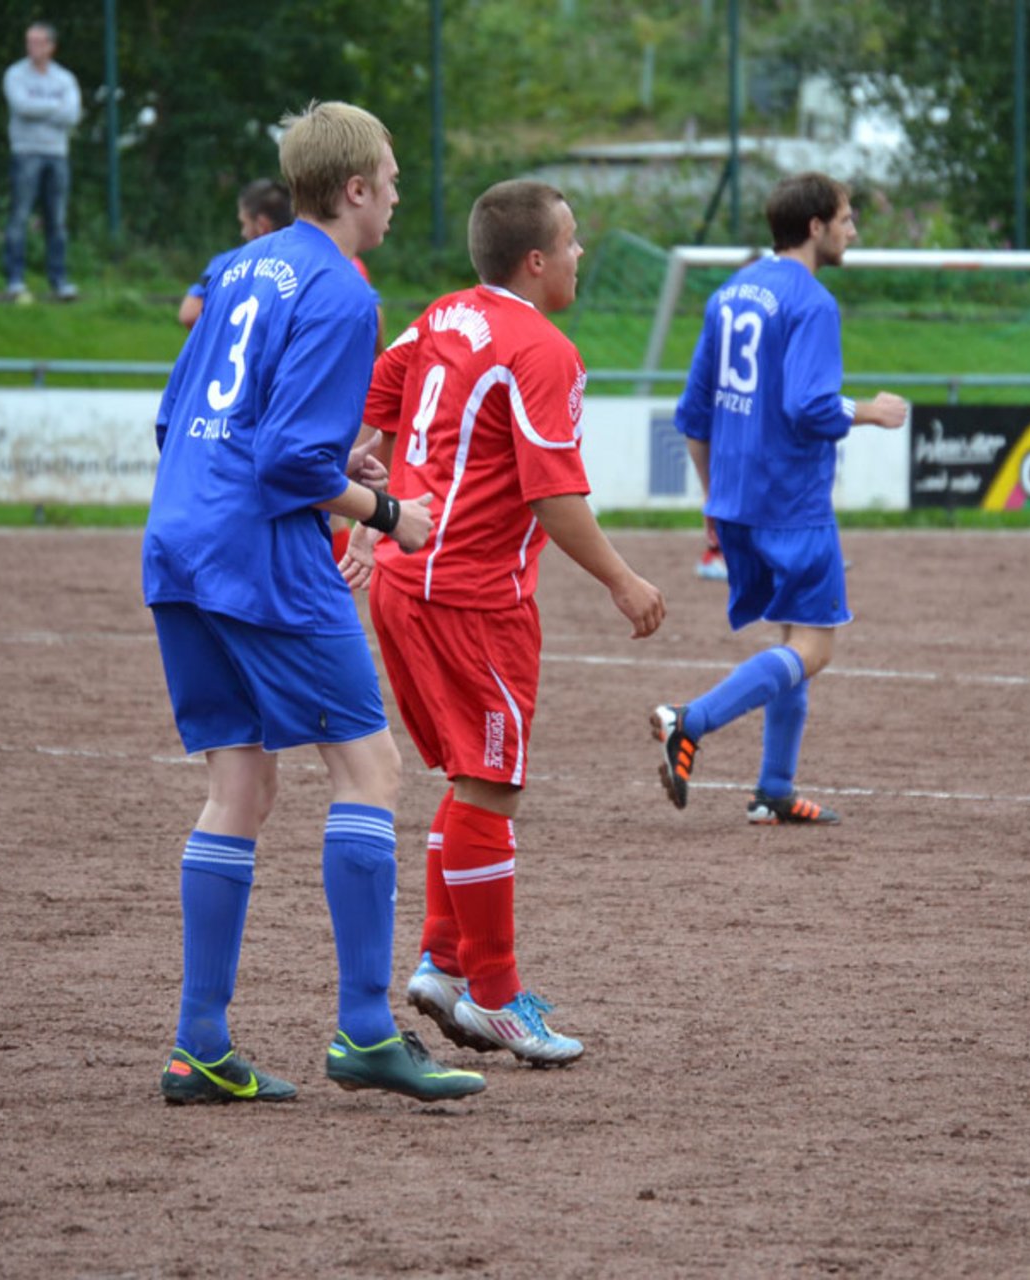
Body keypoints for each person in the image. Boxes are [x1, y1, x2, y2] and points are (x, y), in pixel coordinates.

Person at [143, 100, 484, 1106]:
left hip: (181, 541)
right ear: (354, 190)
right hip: (258, 550)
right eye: (388, 178)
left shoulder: (237, 267)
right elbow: (287, 458)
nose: (396, 196)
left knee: (239, 786)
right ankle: (366, 1028)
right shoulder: (342, 289)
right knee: (369, 767)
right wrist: (384, 511)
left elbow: (185, 419)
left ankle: (199, 1041)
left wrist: (328, 466)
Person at [350, 179, 666, 1065]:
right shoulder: (543, 349)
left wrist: (367, 506)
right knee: (493, 784)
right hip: (472, 598)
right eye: (570, 243)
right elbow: (554, 492)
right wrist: (622, 579)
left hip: (405, 580)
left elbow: (379, 400)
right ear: (535, 260)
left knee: (469, 778)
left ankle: (445, 968)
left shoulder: (445, 315)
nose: (577, 256)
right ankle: (495, 995)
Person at [651, 171, 910, 826]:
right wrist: (873, 412)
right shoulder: (813, 303)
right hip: (793, 502)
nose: (853, 231)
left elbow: (694, 415)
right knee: (814, 648)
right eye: (847, 219)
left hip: (739, 501)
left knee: (793, 642)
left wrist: (716, 502)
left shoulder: (730, 293)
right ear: (816, 227)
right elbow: (811, 405)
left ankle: (774, 786)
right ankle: (690, 721)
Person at [2, 21, 82, 303]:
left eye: (37, 42)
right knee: (19, 217)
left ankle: (58, 281)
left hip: (58, 154)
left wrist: (41, 111)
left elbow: (72, 115)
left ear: (51, 46)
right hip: (25, 153)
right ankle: (14, 279)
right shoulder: (15, 74)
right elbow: (21, 106)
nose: (31, 47)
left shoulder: (65, 78)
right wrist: (54, 108)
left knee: (57, 221)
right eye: (29, 41)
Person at [176, 180, 293, 329]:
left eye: (244, 224)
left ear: (262, 225)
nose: (242, 232)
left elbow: (189, 314)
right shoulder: (308, 266)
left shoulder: (227, 263)